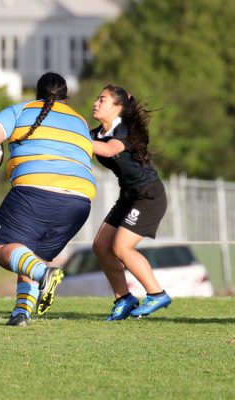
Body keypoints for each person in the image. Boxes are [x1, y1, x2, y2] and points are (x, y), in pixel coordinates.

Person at [0, 72, 95, 326]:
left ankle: (45, 275)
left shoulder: (23, 110)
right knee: (27, 255)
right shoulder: (80, 120)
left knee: (2, 249)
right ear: (66, 97)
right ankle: (21, 313)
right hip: (80, 202)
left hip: (36, 192)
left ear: (36, 94)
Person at [90, 84, 171, 320]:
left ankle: (157, 293)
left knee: (121, 248)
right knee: (101, 247)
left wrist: (73, 141)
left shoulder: (124, 131)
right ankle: (124, 299)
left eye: (102, 100)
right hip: (128, 196)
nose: (95, 103)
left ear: (118, 107)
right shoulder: (95, 134)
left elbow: (108, 150)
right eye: (97, 98)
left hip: (149, 196)